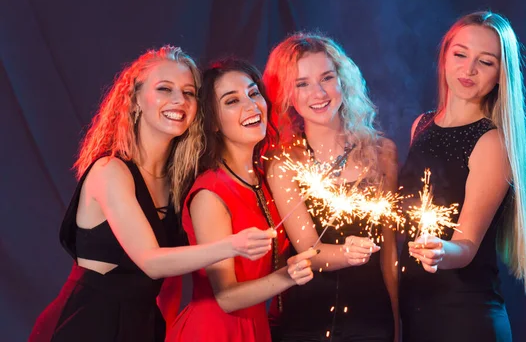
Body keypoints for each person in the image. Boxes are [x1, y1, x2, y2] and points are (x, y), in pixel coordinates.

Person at [29, 46, 275, 342]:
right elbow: (150, 260)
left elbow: (167, 283)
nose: (178, 101)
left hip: (143, 327)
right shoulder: (110, 171)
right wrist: (232, 245)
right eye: (164, 89)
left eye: (188, 93)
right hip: (87, 324)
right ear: (134, 101)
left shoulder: (177, 182)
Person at [397, 11, 526, 341]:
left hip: (465, 318)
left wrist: (439, 251)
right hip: (417, 313)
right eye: (460, 54)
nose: (469, 69)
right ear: (445, 56)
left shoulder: (491, 143)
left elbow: (465, 246)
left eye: (486, 62)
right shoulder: (421, 126)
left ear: (500, 75)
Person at [166, 58, 316, 342]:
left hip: (257, 330)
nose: (251, 106)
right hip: (215, 332)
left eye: (253, 93)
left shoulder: (263, 178)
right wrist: (288, 276)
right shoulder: (210, 193)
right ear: (213, 122)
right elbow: (226, 297)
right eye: (232, 101)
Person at [263, 32, 398, 342]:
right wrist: (348, 252)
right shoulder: (285, 164)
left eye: (327, 78)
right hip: (306, 324)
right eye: (302, 84)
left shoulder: (382, 153)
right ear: (288, 95)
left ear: (343, 81)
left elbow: (390, 249)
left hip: (372, 322)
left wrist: (396, 320)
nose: (318, 93)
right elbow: (309, 251)